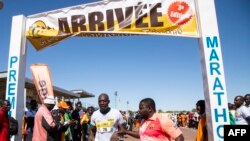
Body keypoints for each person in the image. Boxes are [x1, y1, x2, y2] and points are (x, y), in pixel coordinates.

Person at [118, 98, 184, 141]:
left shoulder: (162, 120)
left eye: (141, 108)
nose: (139, 111)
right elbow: (142, 134)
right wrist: (126, 131)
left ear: (149, 109)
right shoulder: (143, 120)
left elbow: (179, 138)